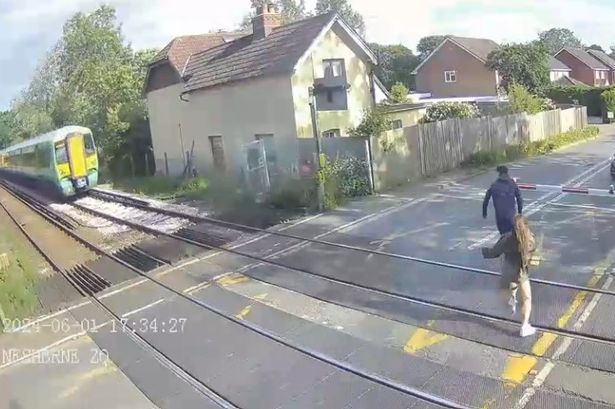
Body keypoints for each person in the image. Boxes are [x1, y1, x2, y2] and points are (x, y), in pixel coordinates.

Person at [482, 214, 536, 337]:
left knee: (507, 289)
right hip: (521, 273)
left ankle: (511, 302)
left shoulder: (506, 239)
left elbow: (494, 252)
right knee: (527, 298)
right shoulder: (530, 239)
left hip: (508, 271)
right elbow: (532, 250)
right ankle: (524, 326)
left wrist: (483, 251)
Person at [483, 165, 523, 235]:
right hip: (511, 216)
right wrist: (520, 212)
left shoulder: (494, 185)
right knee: (511, 236)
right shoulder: (513, 184)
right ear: (507, 173)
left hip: (500, 217)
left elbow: (486, 199)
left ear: (499, 174)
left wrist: (484, 212)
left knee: (503, 235)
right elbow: (519, 199)